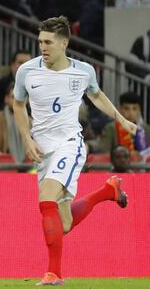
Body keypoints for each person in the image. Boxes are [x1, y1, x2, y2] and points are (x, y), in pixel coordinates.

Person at [12, 16, 137, 286]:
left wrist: (122, 119)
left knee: (46, 199)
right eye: (40, 42)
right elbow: (18, 105)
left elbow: (97, 96)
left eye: (48, 42)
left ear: (64, 43)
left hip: (69, 144)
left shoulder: (83, 71)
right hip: (43, 150)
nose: (42, 47)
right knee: (64, 224)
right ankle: (108, 191)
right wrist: (26, 138)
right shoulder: (27, 71)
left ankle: (54, 273)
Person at [101, 92, 150, 161]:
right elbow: (105, 153)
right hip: (119, 168)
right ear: (120, 109)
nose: (131, 113)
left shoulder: (146, 129)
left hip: (143, 169)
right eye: (126, 109)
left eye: (134, 109)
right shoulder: (111, 128)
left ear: (139, 110)